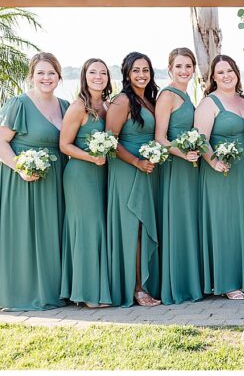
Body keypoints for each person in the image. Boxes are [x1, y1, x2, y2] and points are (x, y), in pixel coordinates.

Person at [0, 52, 69, 311]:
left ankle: (50, 289)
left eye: (51, 73)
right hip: (17, 178)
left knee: (48, 233)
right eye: (40, 73)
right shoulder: (18, 104)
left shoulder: (65, 106)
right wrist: (21, 167)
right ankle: (17, 293)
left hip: (53, 180)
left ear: (59, 77)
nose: (46, 78)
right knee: (22, 233)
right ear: (31, 76)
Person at [196, 54, 244, 300]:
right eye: (220, 72)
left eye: (230, 70)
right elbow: (201, 139)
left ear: (237, 73)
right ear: (212, 77)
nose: (226, 76)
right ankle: (227, 281)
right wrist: (214, 162)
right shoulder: (209, 103)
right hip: (221, 172)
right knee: (225, 224)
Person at [105, 51, 162, 307]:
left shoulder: (149, 100)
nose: (142, 75)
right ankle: (136, 288)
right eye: (136, 70)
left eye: (146, 70)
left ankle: (146, 283)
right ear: (127, 74)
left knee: (143, 226)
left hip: (148, 169)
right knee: (134, 228)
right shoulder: (122, 101)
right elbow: (110, 140)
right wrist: (137, 161)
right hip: (128, 169)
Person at [59, 58, 113, 308]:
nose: (98, 76)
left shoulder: (107, 105)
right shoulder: (78, 106)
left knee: (100, 227)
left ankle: (98, 288)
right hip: (80, 174)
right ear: (84, 76)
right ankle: (87, 293)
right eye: (93, 72)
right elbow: (64, 145)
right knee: (87, 229)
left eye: (103, 72)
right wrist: (90, 156)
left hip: (101, 174)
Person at [154, 47, 203, 305]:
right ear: (169, 69)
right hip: (175, 167)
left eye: (188, 66)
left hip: (189, 166)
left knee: (188, 221)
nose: (184, 71)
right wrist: (183, 154)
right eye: (179, 66)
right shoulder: (168, 96)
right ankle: (177, 285)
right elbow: (160, 138)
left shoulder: (186, 95)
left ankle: (189, 280)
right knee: (177, 222)